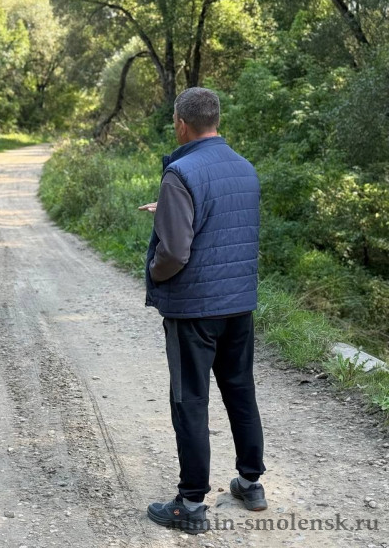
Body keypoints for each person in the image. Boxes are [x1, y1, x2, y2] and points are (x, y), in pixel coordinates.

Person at [139, 87, 267, 534]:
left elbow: (175, 252)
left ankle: (190, 503)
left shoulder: (179, 172)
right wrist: (170, 210)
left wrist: (154, 272)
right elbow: (223, 219)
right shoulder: (244, 167)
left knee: (190, 401)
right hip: (238, 304)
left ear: (181, 123)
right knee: (240, 391)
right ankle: (250, 483)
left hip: (194, 308)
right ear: (216, 119)